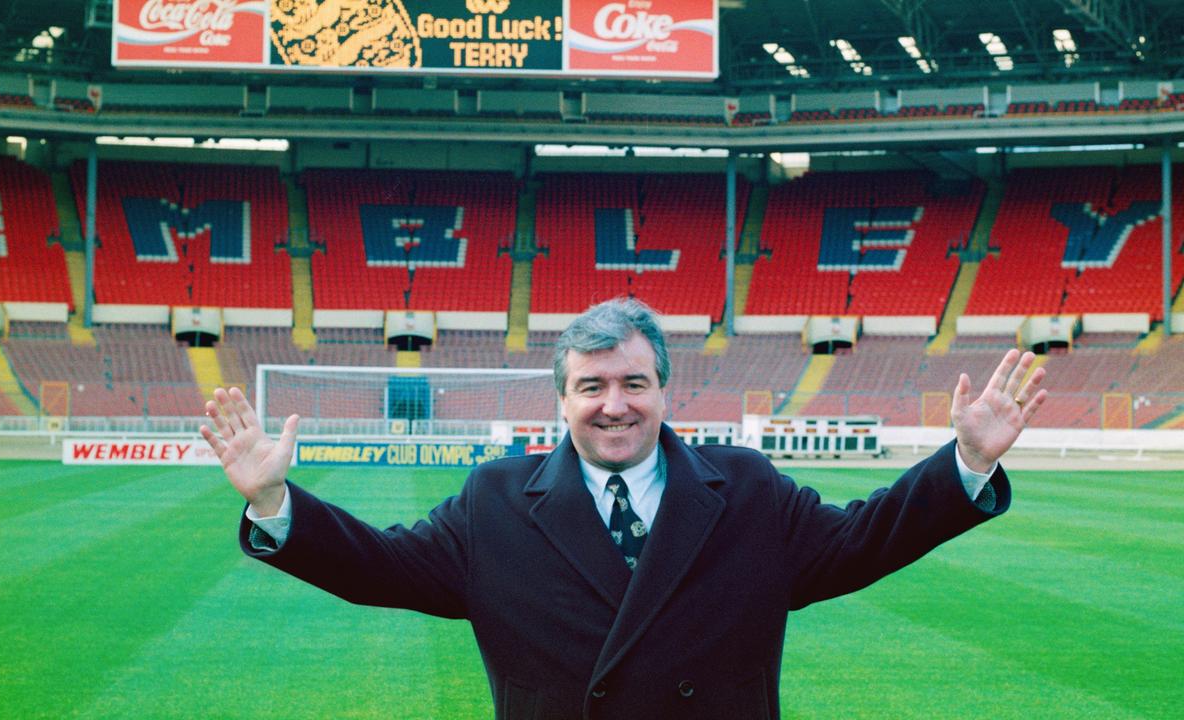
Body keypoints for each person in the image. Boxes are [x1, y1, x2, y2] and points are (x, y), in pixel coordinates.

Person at [201, 297, 1047, 719]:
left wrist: (967, 460)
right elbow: (379, 567)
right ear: (561, 401)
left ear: (663, 391)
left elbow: (862, 542)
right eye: (592, 387)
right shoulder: (496, 501)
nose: (615, 405)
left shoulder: (747, 490)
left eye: (634, 383)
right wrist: (275, 500)